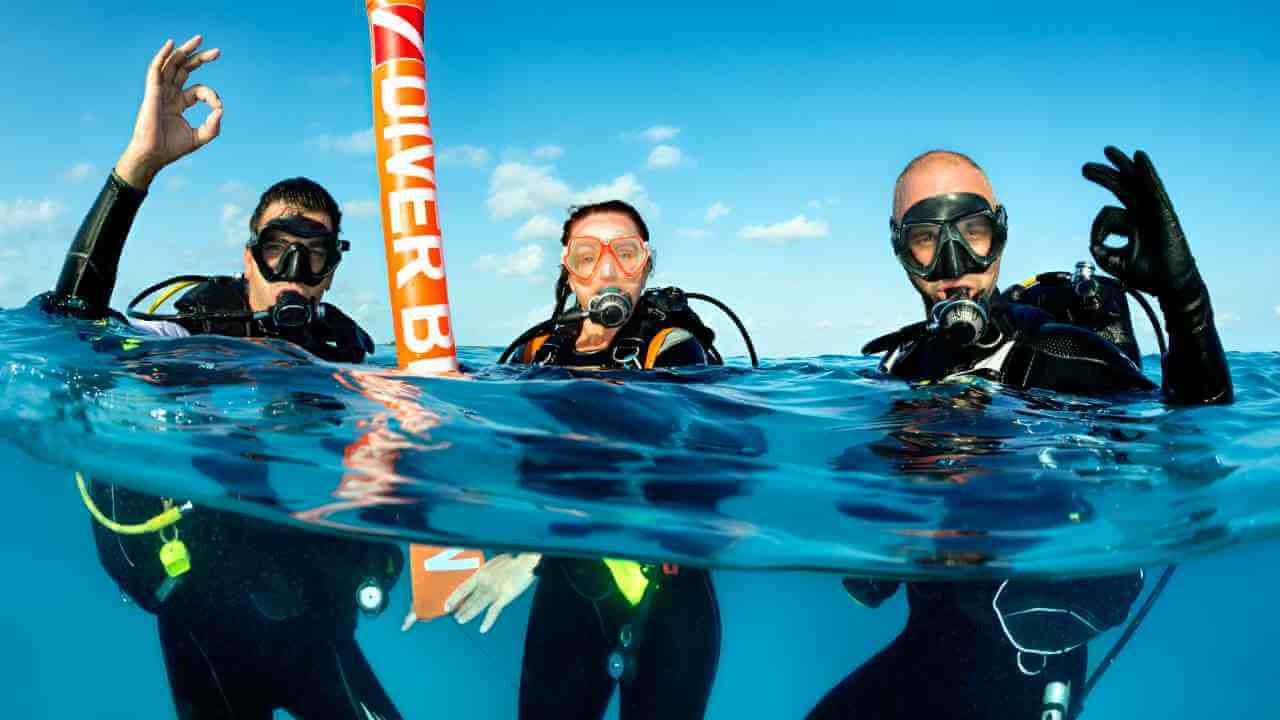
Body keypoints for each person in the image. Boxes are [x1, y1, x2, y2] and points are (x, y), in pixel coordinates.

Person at [42, 36, 404, 719]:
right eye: (278, 251)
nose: (294, 274)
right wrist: (136, 169)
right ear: (248, 259)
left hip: (316, 619)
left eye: (314, 255)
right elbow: (72, 328)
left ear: (332, 269)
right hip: (205, 619)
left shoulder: (346, 352)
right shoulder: (189, 333)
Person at [810, 148, 1233, 719]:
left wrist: (1183, 298)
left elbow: (1193, 437)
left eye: (973, 232)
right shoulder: (900, 372)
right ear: (899, 251)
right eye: (927, 239)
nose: (954, 263)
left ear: (1000, 235)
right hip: (926, 653)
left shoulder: (1062, 354)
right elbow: (865, 556)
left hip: (1031, 666)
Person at [444, 200, 726, 720]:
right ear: (567, 270)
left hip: (668, 596)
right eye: (586, 256)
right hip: (567, 595)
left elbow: (664, 467)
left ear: (647, 265)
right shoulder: (537, 355)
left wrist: (534, 555)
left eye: (625, 254)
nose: (608, 271)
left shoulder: (671, 349)